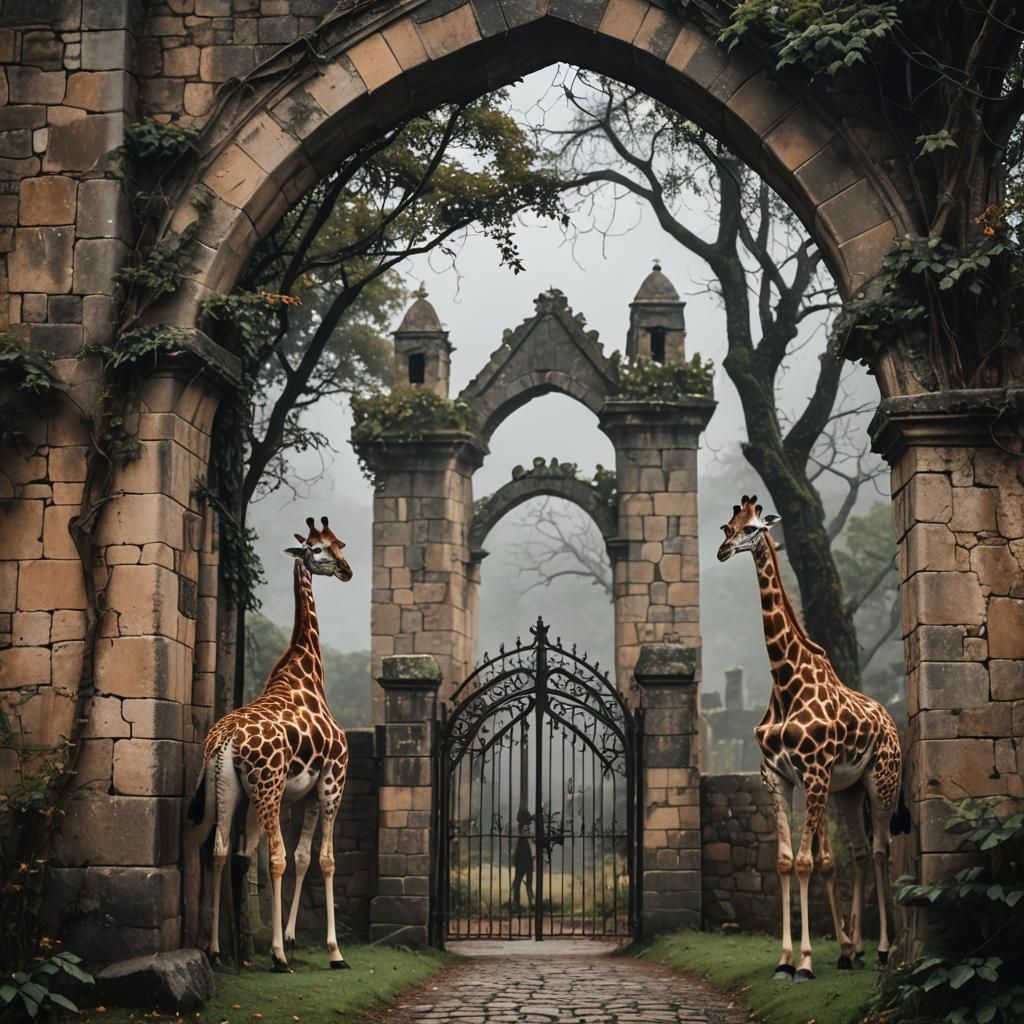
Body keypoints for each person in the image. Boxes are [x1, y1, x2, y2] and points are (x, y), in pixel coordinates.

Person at [510, 808, 534, 914]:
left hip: (522, 856)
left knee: (519, 882)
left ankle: (518, 904)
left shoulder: (521, 829)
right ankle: (526, 904)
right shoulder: (523, 828)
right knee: (524, 882)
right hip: (524, 857)